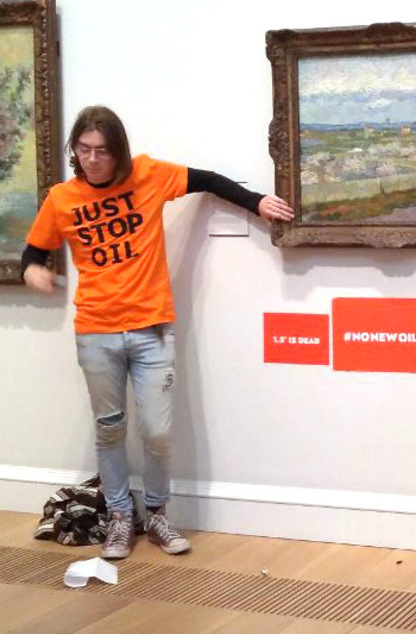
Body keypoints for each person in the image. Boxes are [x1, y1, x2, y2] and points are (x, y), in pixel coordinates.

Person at [20, 105, 294, 559]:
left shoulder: (148, 175)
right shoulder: (62, 199)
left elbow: (208, 180)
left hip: (152, 329)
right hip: (96, 332)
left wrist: (256, 201)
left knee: (157, 431)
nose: (91, 159)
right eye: (83, 150)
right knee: (109, 429)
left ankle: (158, 514)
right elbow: (33, 251)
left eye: (101, 151)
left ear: (119, 152)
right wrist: (33, 270)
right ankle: (120, 519)